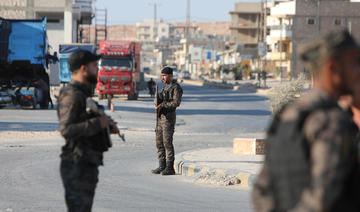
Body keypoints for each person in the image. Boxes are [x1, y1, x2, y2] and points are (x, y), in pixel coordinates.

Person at [252, 30, 360, 211]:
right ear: (333, 69)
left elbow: (261, 190)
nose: (359, 70)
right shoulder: (331, 120)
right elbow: (323, 196)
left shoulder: (287, 114)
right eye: (355, 63)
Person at [57, 50, 119, 211]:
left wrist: (106, 127)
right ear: (84, 69)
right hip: (77, 165)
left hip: (86, 163)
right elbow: (66, 129)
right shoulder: (71, 94)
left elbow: (83, 121)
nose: (97, 70)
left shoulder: (83, 94)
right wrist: (99, 123)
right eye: (94, 66)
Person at [151, 66, 183, 175]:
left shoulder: (175, 88)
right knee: (159, 142)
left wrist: (163, 105)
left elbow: (176, 103)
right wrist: (157, 100)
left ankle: (170, 167)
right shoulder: (164, 87)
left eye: (164, 76)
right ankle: (162, 165)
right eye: (162, 76)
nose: (163, 78)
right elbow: (159, 100)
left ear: (170, 75)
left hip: (169, 118)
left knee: (167, 142)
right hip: (160, 118)